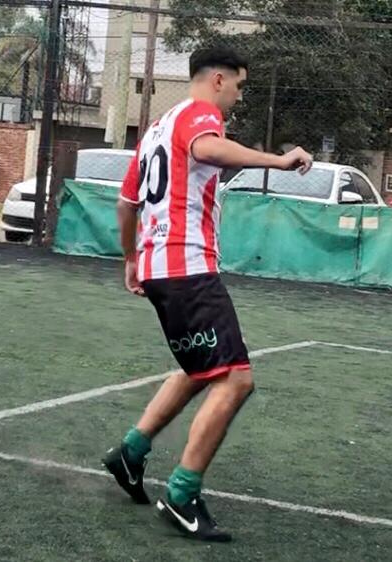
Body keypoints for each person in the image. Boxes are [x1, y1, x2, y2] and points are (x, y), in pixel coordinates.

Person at [102, 47, 313, 542]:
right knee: (236, 380)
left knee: (201, 369)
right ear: (218, 80)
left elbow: (126, 203)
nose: (238, 96)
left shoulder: (156, 128)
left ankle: (131, 453)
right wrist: (279, 161)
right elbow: (208, 150)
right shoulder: (200, 114)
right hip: (187, 268)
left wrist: (131, 258)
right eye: (238, 86)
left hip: (159, 268)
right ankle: (181, 495)